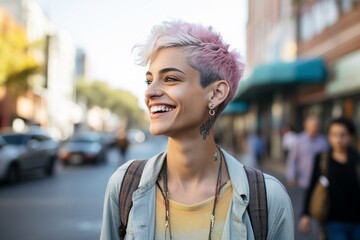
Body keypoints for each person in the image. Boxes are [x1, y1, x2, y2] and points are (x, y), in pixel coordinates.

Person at [100, 20, 294, 240]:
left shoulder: (268, 199)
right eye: (149, 80)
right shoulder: (124, 186)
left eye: (170, 79)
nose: (150, 92)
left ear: (216, 94)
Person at [299, 117, 360, 240]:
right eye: (334, 135)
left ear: (351, 136)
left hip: (357, 220)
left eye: (343, 135)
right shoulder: (323, 160)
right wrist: (305, 214)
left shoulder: (357, 159)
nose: (338, 139)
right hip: (332, 220)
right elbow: (312, 186)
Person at [286, 115, 328, 189]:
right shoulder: (298, 140)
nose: (315, 127)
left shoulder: (323, 141)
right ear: (306, 126)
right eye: (313, 125)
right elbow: (292, 159)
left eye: (317, 125)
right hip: (301, 180)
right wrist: (291, 175)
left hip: (318, 181)